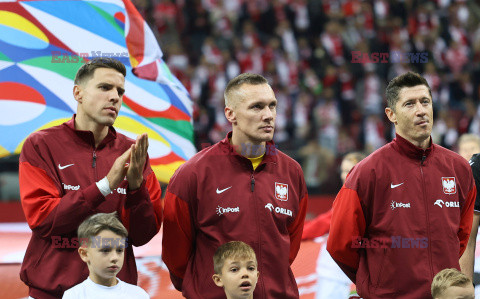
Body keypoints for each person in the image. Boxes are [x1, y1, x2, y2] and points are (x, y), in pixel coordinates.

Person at [19, 58, 162, 298]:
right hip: (52, 292)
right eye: (105, 87)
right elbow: (43, 218)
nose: (115, 97)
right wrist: (105, 186)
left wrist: (136, 189)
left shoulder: (133, 152)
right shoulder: (41, 145)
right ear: (78, 93)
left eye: (120, 91)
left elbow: (143, 235)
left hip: (115, 292)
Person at [327, 71, 476, 298]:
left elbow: (461, 237)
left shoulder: (459, 168)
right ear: (391, 114)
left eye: (425, 101)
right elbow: (340, 244)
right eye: (409, 104)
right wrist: (377, 281)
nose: (421, 110)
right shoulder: (367, 172)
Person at [162, 73, 308, 298]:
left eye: (272, 106)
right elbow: (176, 255)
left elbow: (289, 248)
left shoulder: (292, 172)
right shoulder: (192, 174)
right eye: (256, 107)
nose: (268, 115)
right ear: (230, 114)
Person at [62, 212, 149, 299]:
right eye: (105, 250)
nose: (114, 258)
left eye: (119, 250)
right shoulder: (73, 296)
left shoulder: (138, 295)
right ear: (84, 254)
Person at [302, 151, 366, 240]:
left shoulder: (359, 198)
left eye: (348, 171)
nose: (343, 176)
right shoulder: (347, 195)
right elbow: (325, 220)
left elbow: (325, 223)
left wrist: (296, 234)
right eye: (343, 171)